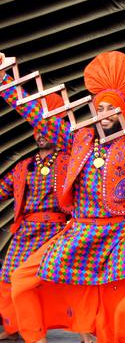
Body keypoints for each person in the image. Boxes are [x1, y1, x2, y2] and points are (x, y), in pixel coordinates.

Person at [2, 51, 125, 343]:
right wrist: (5, 80)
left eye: (112, 108)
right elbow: (34, 112)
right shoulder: (76, 138)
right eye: (101, 107)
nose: (105, 113)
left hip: (123, 232)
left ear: (123, 112)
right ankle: (35, 338)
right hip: (81, 230)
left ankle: (124, 326)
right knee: (21, 281)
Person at [0, 93, 70, 341]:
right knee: (7, 277)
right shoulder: (23, 166)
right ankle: (15, 327)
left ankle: (85, 330)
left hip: (56, 231)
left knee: (69, 279)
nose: (41, 135)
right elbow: (3, 189)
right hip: (25, 231)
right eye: (37, 131)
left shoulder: (68, 161)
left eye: (47, 130)